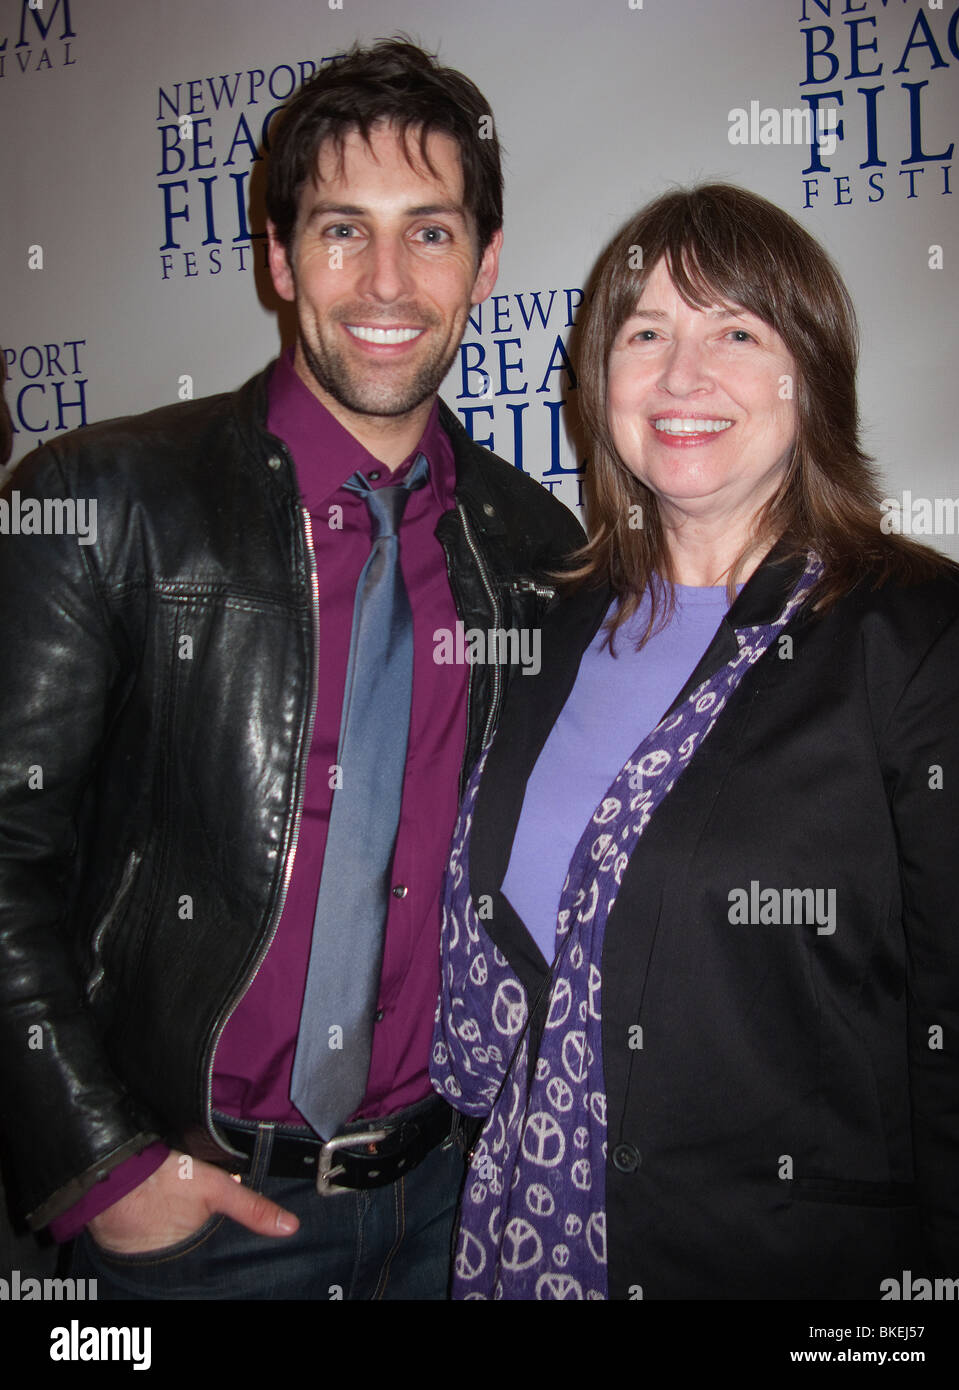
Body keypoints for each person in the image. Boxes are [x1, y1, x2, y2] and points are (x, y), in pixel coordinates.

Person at [0, 39, 583, 1301]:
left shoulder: (538, 554)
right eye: (339, 231)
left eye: (429, 233)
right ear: (277, 257)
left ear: (487, 263)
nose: (386, 280)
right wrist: (100, 1164)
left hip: (453, 1212)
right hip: (192, 1222)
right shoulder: (104, 503)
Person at [432, 183, 959, 1300]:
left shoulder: (919, 637)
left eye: (737, 329)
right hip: (524, 1242)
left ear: (807, 373)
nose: (685, 377)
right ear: (602, 383)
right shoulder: (552, 622)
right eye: (647, 334)